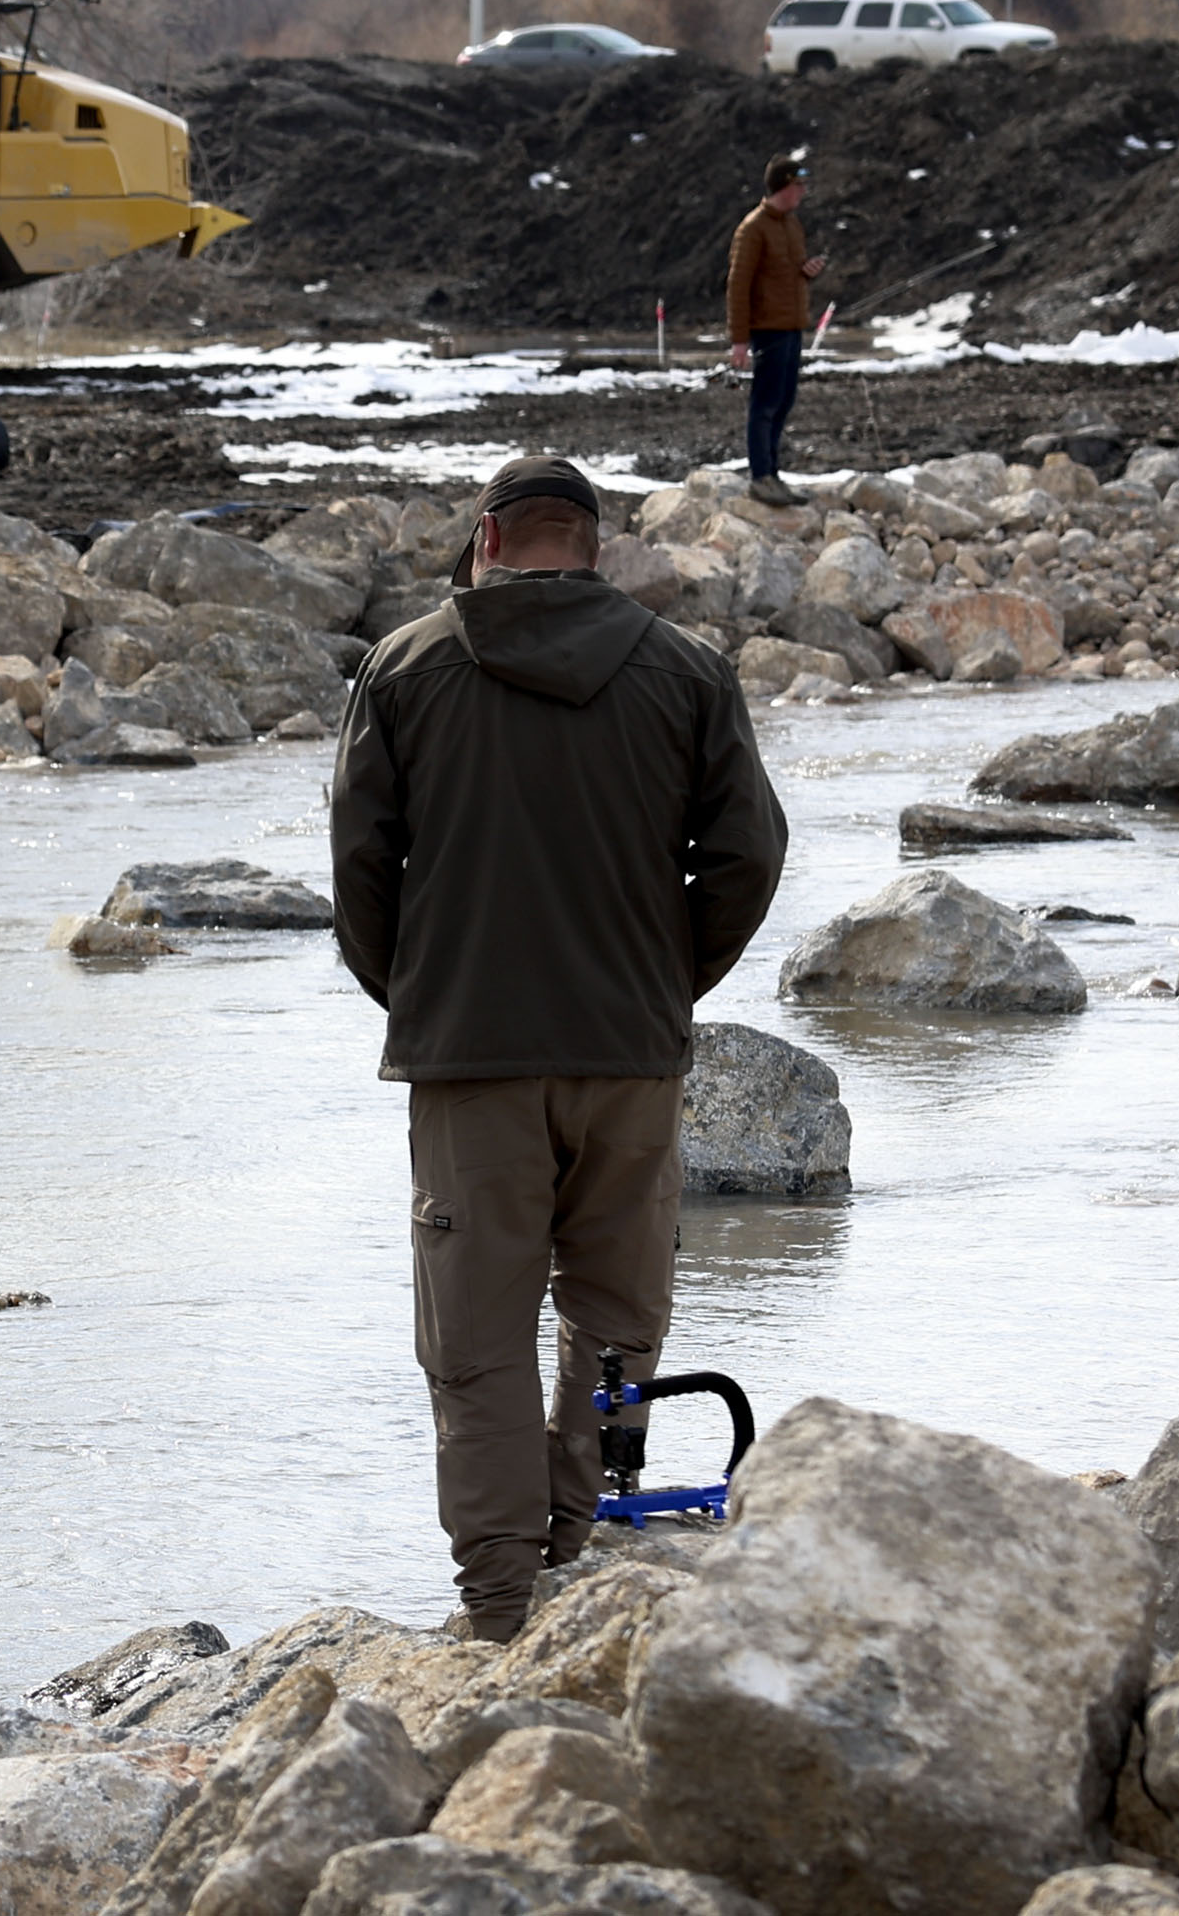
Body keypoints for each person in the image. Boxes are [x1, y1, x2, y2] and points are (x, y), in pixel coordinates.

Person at [329, 457, 787, 1643]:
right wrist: (662, 983)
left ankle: (495, 1605)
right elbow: (747, 856)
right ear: (593, 548)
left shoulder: (407, 666)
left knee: (475, 1337)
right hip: (629, 1056)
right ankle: (578, 1543)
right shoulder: (686, 671)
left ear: (485, 542)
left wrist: (420, 998)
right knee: (615, 1310)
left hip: (469, 1057)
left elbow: (358, 867)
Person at [726, 155, 830, 509]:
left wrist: (807, 270)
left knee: (784, 401)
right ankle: (761, 477)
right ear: (784, 186)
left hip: (791, 325)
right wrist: (739, 340)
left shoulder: (791, 224)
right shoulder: (752, 229)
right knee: (765, 403)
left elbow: (785, 271)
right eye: (798, 185)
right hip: (767, 330)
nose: (803, 192)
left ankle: (773, 473)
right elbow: (737, 286)